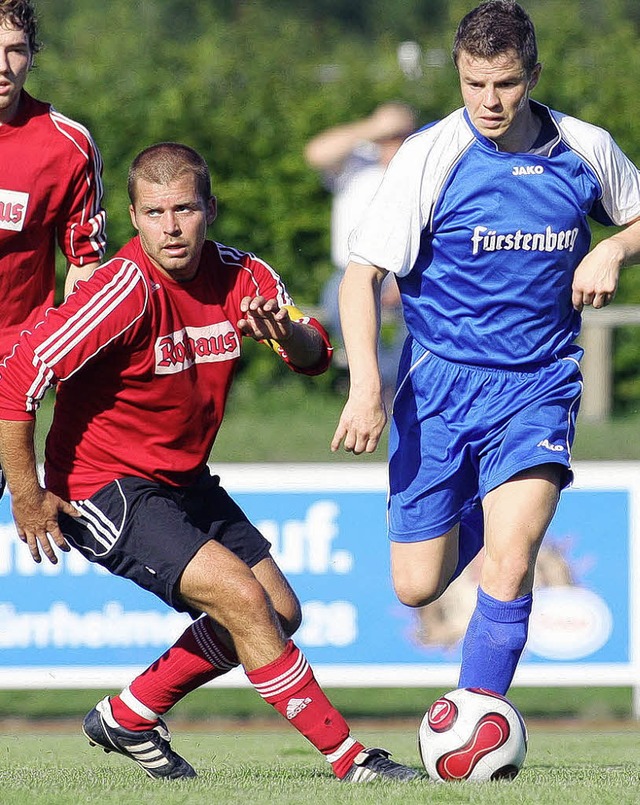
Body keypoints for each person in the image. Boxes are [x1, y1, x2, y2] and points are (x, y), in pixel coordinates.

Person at [0, 143, 420, 783]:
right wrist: (26, 495)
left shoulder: (246, 278)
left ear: (210, 209)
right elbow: (16, 378)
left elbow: (313, 355)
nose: (171, 227)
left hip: (183, 480)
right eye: (155, 212)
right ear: (134, 218)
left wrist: (283, 331)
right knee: (244, 602)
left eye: (186, 209)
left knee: (280, 613)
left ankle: (130, 714)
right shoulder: (120, 291)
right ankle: (351, 759)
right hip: (103, 486)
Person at [331, 0, 640, 697]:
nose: (489, 100)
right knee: (416, 585)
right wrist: (365, 388)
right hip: (439, 386)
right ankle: (473, 498)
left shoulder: (584, 147)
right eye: (475, 83)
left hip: (538, 384)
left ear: (532, 72)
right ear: (459, 75)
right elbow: (361, 278)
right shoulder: (430, 157)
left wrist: (616, 247)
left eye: (504, 82)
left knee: (510, 561)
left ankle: (475, 719)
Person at [0, 0, 106, 495]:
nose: (3, 67)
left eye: (15, 50)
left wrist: (61, 366)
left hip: (9, 365)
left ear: (32, 55)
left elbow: (83, 266)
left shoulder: (67, 145)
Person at [304, 102, 416, 402]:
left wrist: (393, 279)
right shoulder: (356, 162)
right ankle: (375, 386)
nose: (392, 142)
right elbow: (315, 153)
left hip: (408, 271)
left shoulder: (418, 167)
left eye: (399, 135)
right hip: (351, 272)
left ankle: (403, 387)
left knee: (426, 311)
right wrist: (375, 127)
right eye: (388, 135)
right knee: (336, 298)